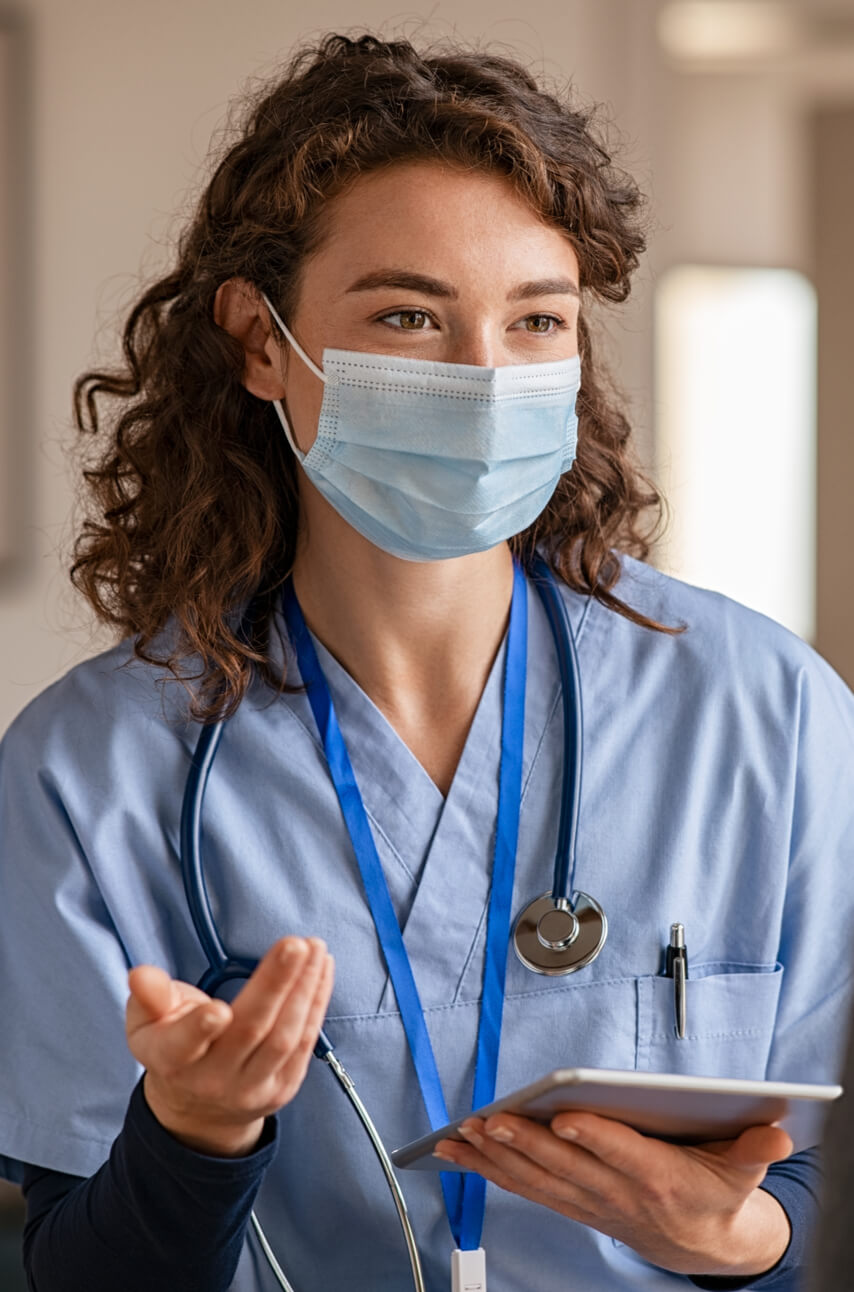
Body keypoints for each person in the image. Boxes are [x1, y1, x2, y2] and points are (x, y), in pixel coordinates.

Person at [0, 31, 852, 1292]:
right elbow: (71, 1269)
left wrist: (740, 1240)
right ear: (259, 341)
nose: (482, 376)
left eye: (535, 319)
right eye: (408, 313)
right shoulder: (93, 768)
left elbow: (818, 1194)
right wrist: (194, 1135)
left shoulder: (765, 712)